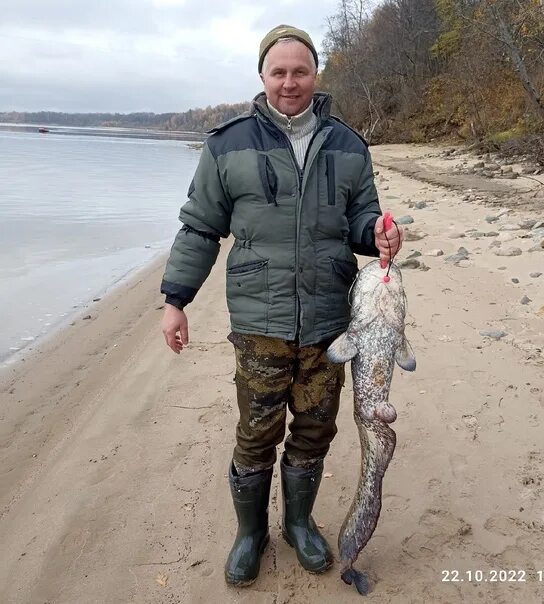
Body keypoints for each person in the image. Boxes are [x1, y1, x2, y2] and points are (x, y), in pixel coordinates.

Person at [160, 24, 404, 586]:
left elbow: (363, 219)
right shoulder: (228, 144)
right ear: (262, 76)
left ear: (315, 74)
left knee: (316, 430)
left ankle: (298, 523)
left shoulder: (348, 145)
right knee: (258, 431)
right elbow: (200, 228)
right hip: (259, 321)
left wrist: (381, 234)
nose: (289, 82)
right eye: (279, 72)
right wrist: (176, 300)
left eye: (300, 71)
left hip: (328, 321)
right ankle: (250, 533)